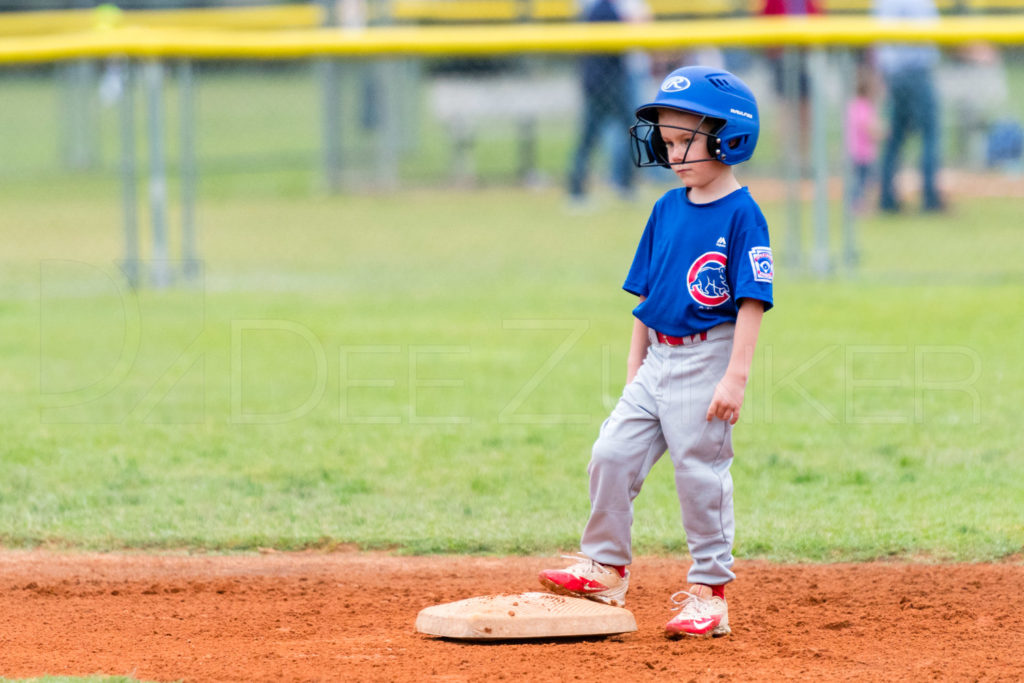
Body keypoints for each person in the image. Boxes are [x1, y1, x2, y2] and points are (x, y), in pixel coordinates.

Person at [539, 65, 773, 638]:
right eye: (666, 142)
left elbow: (750, 302)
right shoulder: (666, 208)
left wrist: (735, 378)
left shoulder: (744, 214)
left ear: (728, 137)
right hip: (657, 360)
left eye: (682, 141)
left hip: (708, 357)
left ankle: (709, 593)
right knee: (612, 451)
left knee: (700, 475)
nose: (670, 154)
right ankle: (605, 567)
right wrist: (633, 368)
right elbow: (643, 299)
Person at [874, 0, 944, 212]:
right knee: (929, 136)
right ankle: (930, 199)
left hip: (893, 75)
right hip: (917, 72)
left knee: (893, 139)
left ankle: (887, 199)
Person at [567, 0, 639, 203]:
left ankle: (620, 184)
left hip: (599, 81)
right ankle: (581, 189)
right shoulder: (603, 8)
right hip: (606, 82)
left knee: (596, 136)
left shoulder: (598, 8)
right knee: (595, 136)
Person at [845, 63, 884, 213]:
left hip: (855, 152)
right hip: (863, 154)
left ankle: (859, 205)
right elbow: (868, 127)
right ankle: (858, 206)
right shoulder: (864, 106)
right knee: (863, 182)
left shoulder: (853, 105)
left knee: (860, 181)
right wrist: (882, 133)